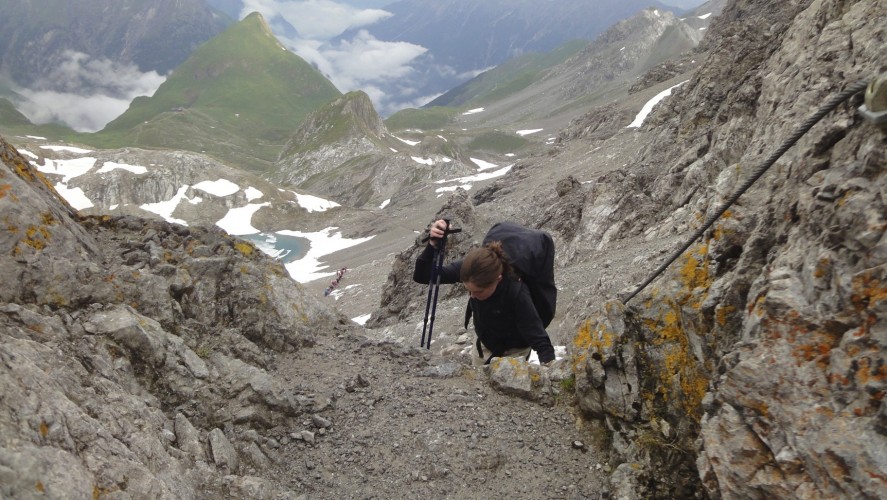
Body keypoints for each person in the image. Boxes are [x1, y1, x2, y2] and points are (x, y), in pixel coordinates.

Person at [413, 219, 556, 365]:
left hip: (514, 355)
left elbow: (540, 341)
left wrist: (551, 371)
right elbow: (422, 275)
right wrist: (432, 245)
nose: (473, 296)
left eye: (479, 291)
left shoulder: (516, 293)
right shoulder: (471, 269)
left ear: (498, 279)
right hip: (482, 346)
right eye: (469, 291)